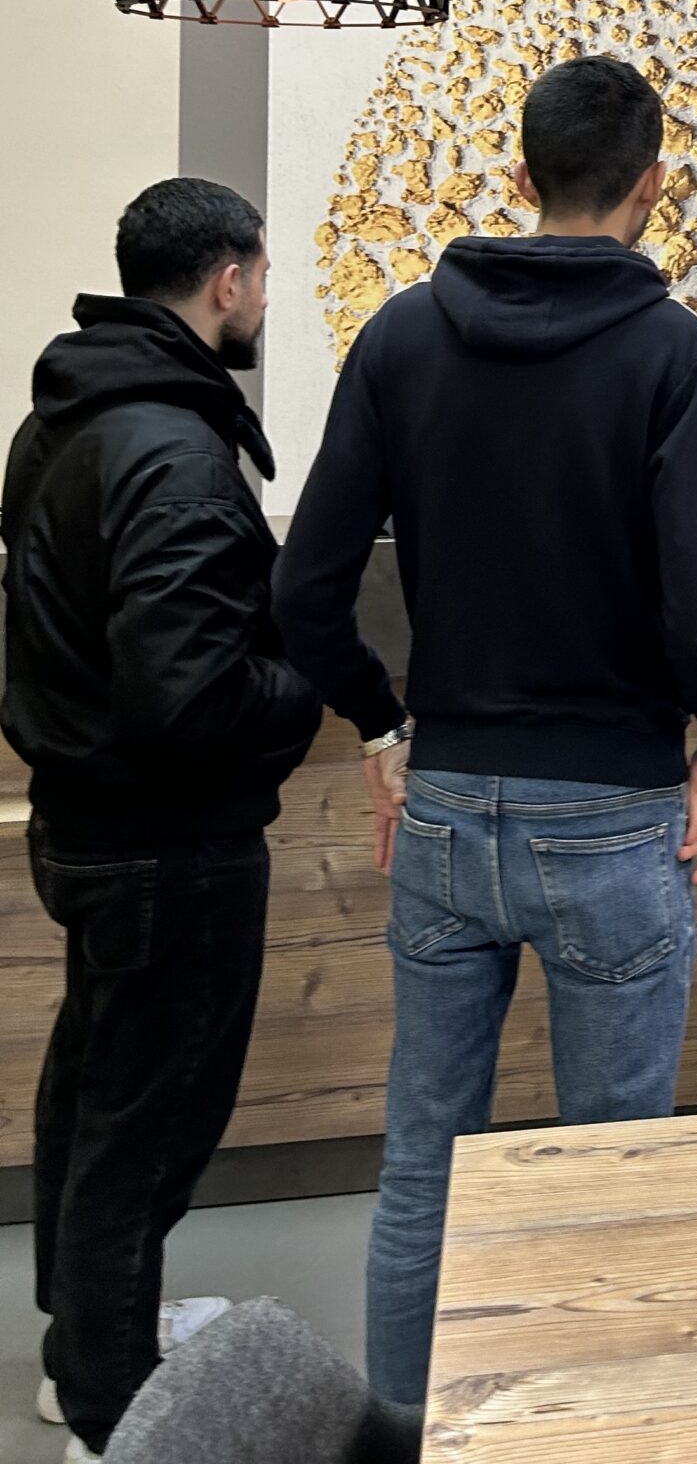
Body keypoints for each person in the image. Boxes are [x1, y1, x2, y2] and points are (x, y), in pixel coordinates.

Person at [273, 54, 697, 1406]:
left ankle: (408, 1434)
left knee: (425, 1168)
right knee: (609, 1178)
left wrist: (382, 727)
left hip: (444, 809)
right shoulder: (670, 348)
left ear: (519, 174)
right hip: (612, 816)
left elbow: (304, 593)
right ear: (653, 187)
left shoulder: (401, 336)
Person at [1, 180, 321, 1463]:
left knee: (95, 1083)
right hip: (165, 841)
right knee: (147, 1122)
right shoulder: (177, 451)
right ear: (228, 279)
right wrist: (307, 678)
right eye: (263, 273)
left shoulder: (61, 414)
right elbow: (188, 698)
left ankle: (88, 1340)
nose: (265, 295)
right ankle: (115, 1409)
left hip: (84, 819)